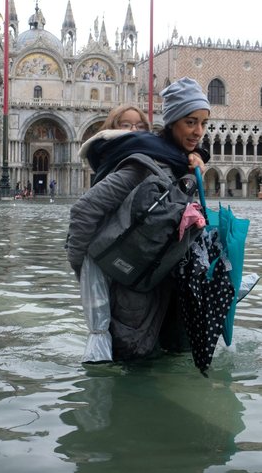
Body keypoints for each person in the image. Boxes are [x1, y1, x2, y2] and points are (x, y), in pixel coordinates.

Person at [66, 78, 211, 361]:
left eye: (204, 124)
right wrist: (83, 268)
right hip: (132, 298)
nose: (199, 131)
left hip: (164, 292)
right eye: (191, 122)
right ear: (172, 122)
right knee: (132, 368)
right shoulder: (144, 165)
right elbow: (84, 211)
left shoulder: (180, 162)